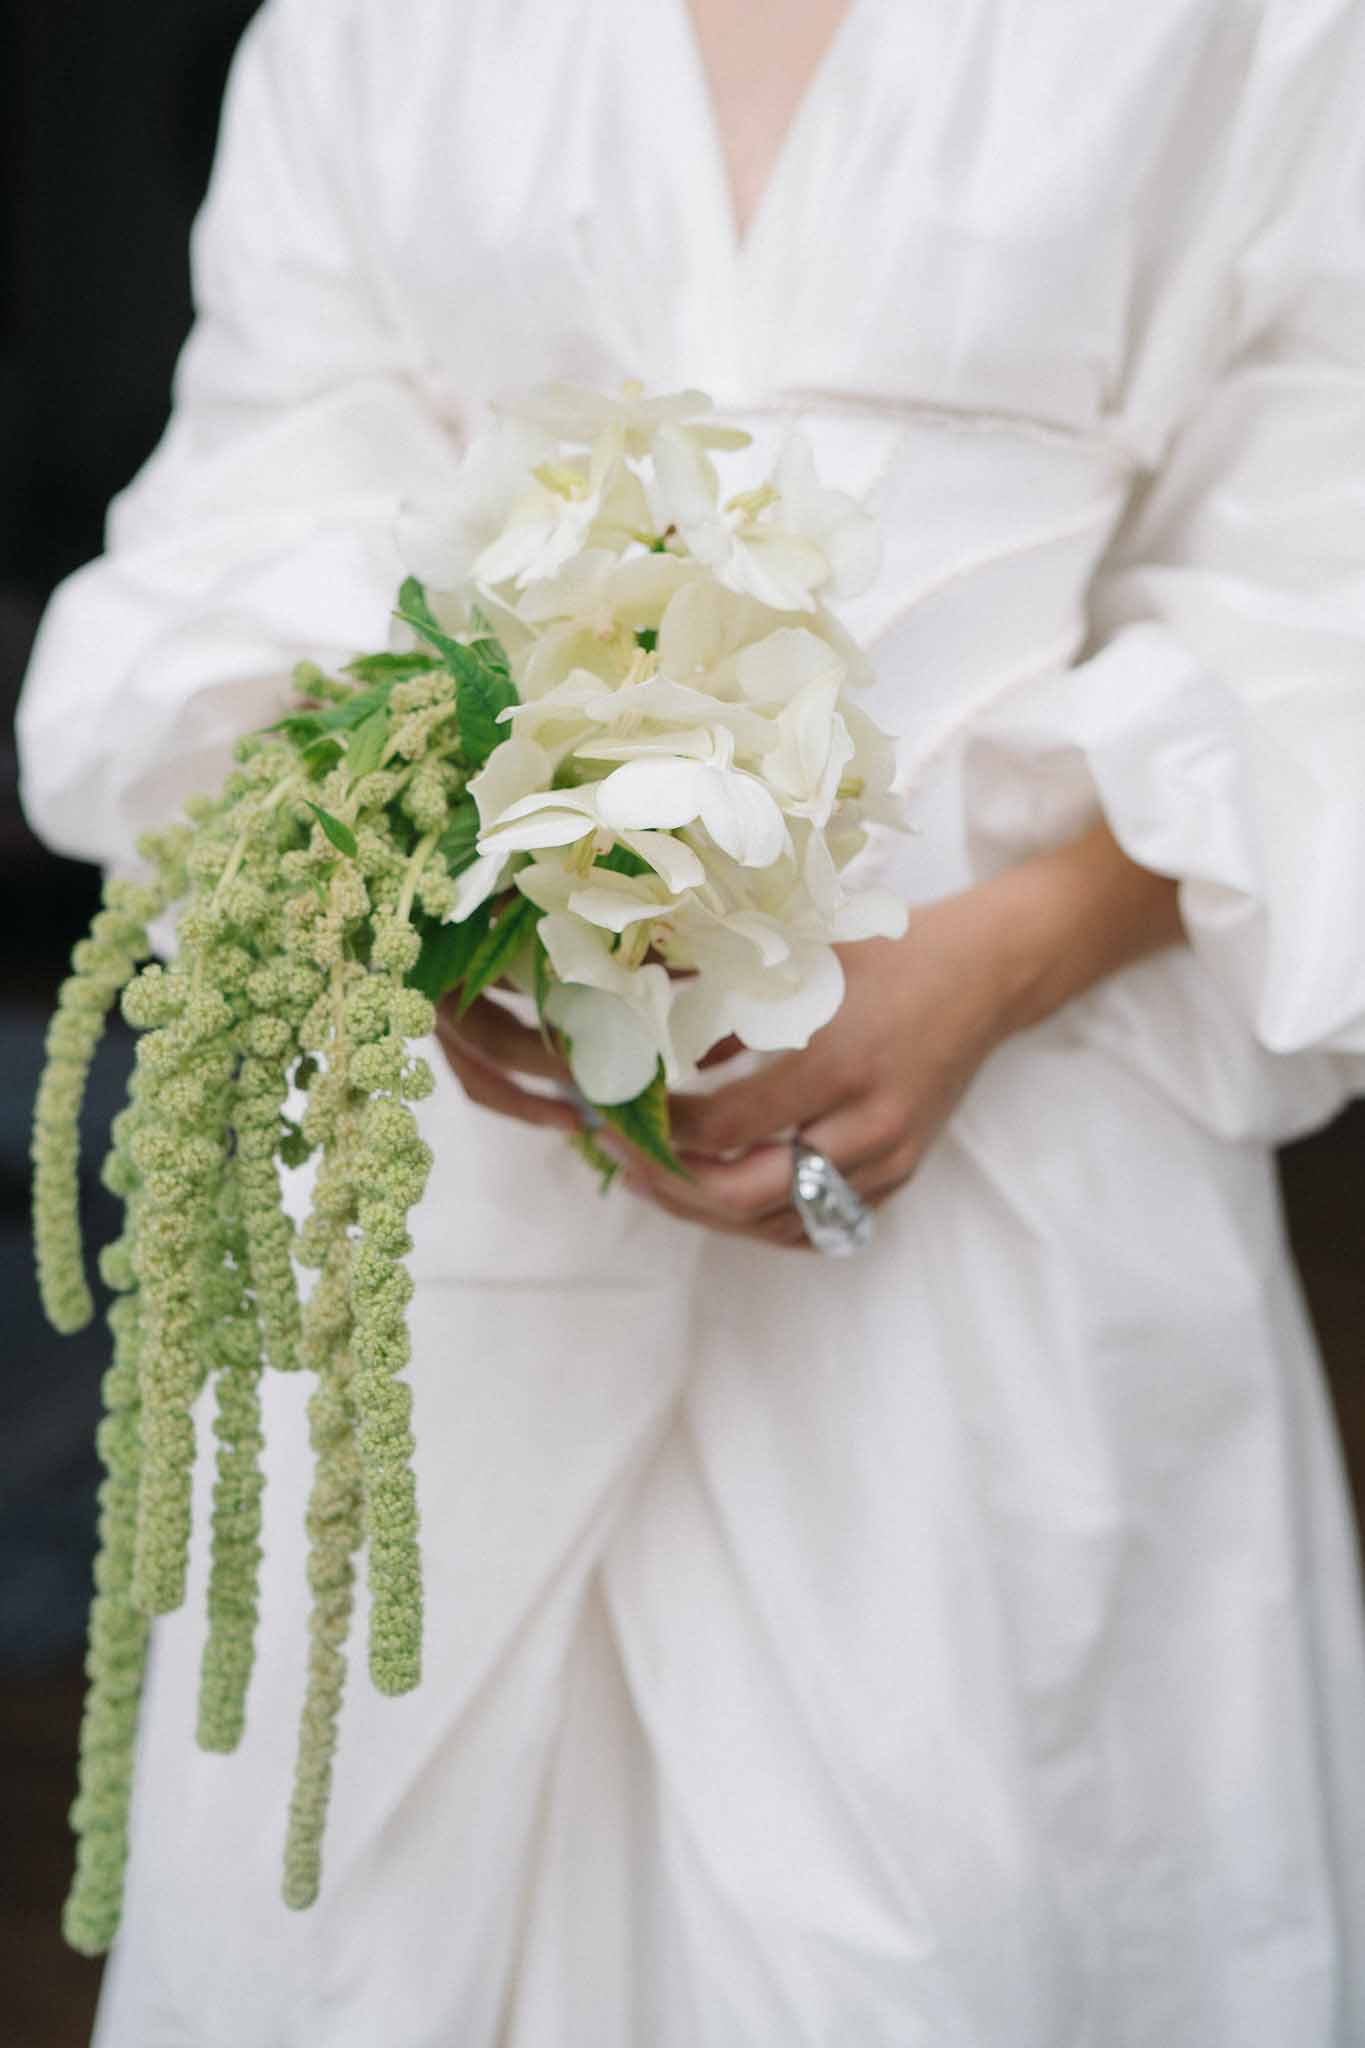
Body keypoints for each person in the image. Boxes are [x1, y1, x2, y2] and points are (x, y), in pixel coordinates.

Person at [16, 0, 1365, 2039]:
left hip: (998, 1235)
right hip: (443, 1243)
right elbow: (248, 523)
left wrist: (996, 961)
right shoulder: (371, 32)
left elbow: (1319, 585)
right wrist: (427, 901)